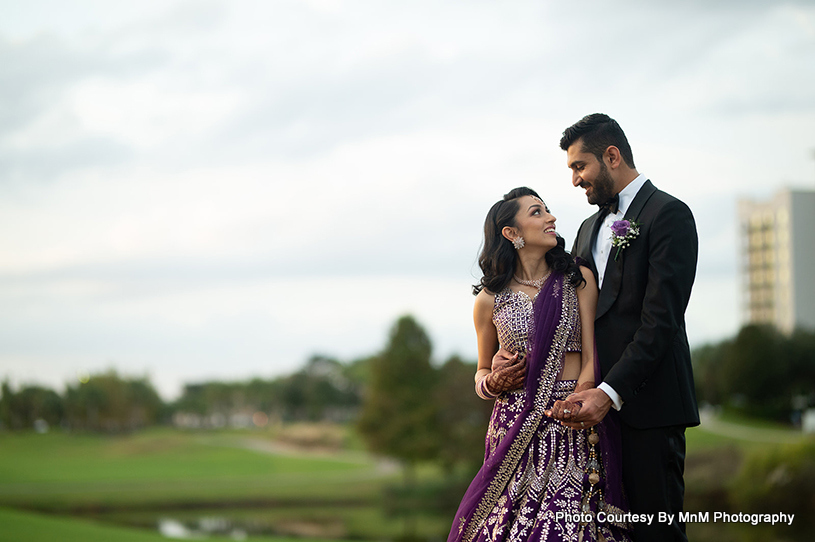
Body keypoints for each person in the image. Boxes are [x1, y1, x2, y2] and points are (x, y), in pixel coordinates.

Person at [448, 187, 631, 542]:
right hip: (515, 426)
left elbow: (592, 354)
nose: (551, 218)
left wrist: (578, 399)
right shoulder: (489, 299)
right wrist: (493, 382)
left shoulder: (577, 279)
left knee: (568, 528)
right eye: (537, 212)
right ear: (511, 234)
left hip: (572, 422)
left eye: (547, 210)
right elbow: (481, 372)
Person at [553, 113, 700, 542]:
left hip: (648, 409)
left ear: (611, 156)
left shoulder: (669, 214)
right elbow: (571, 315)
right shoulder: (585, 229)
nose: (575, 180)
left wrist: (610, 392)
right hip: (589, 413)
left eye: (580, 167)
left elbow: (661, 322)